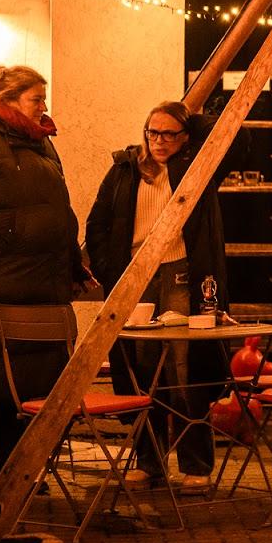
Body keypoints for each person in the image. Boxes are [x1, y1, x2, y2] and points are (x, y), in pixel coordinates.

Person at [0, 64, 97, 510]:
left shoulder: (42, 144)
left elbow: (59, 209)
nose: (44, 107)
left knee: (29, 388)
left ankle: (9, 476)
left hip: (43, 286)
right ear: (8, 100)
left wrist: (73, 263)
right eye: (36, 99)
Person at [86, 100, 228, 493]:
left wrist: (195, 119)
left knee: (184, 370)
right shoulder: (124, 170)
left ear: (185, 137)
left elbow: (241, 140)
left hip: (181, 271)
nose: (159, 141)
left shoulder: (197, 171)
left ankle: (196, 464)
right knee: (142, 369)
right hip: (136, 275)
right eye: (153, 132)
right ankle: (150, 462)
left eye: (169, 133)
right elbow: (97, 223)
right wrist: (108, 270)